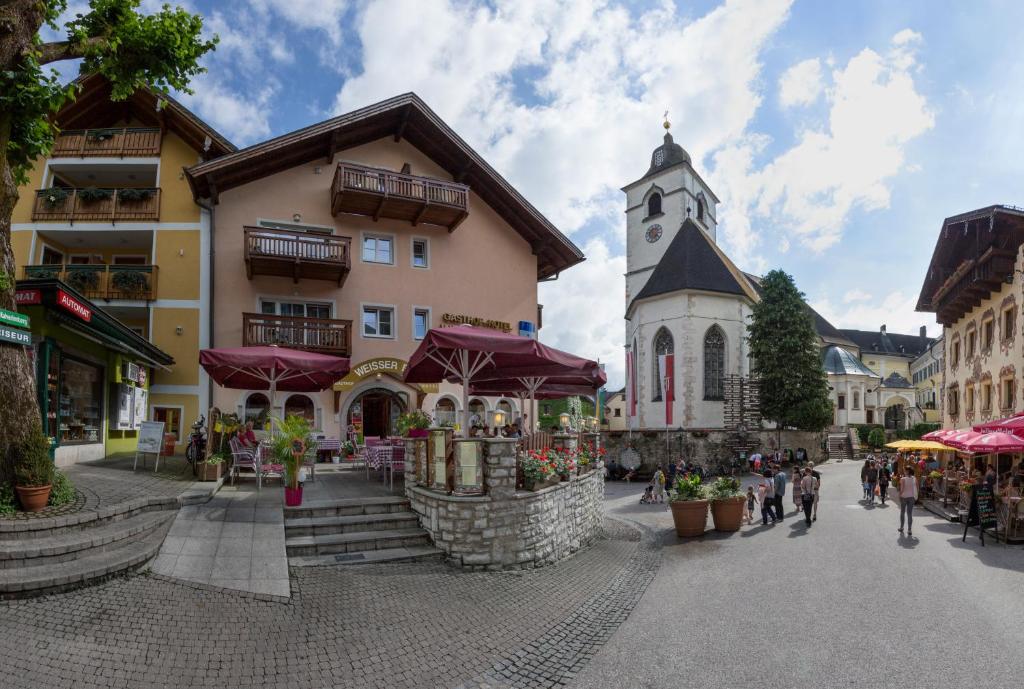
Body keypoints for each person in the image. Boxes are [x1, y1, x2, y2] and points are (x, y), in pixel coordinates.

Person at [898, 465, 918, 536]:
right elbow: (917, 487)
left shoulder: (903, 479)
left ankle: (901, 527)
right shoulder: (914, 478)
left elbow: (902, 489)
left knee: (902, 512)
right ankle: (909, 530)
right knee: (909, 513)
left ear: (907, 471)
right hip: (912, 497)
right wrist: (916, 496)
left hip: (904, 497)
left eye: (904, 470)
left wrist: (899, 495)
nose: (904, 471)